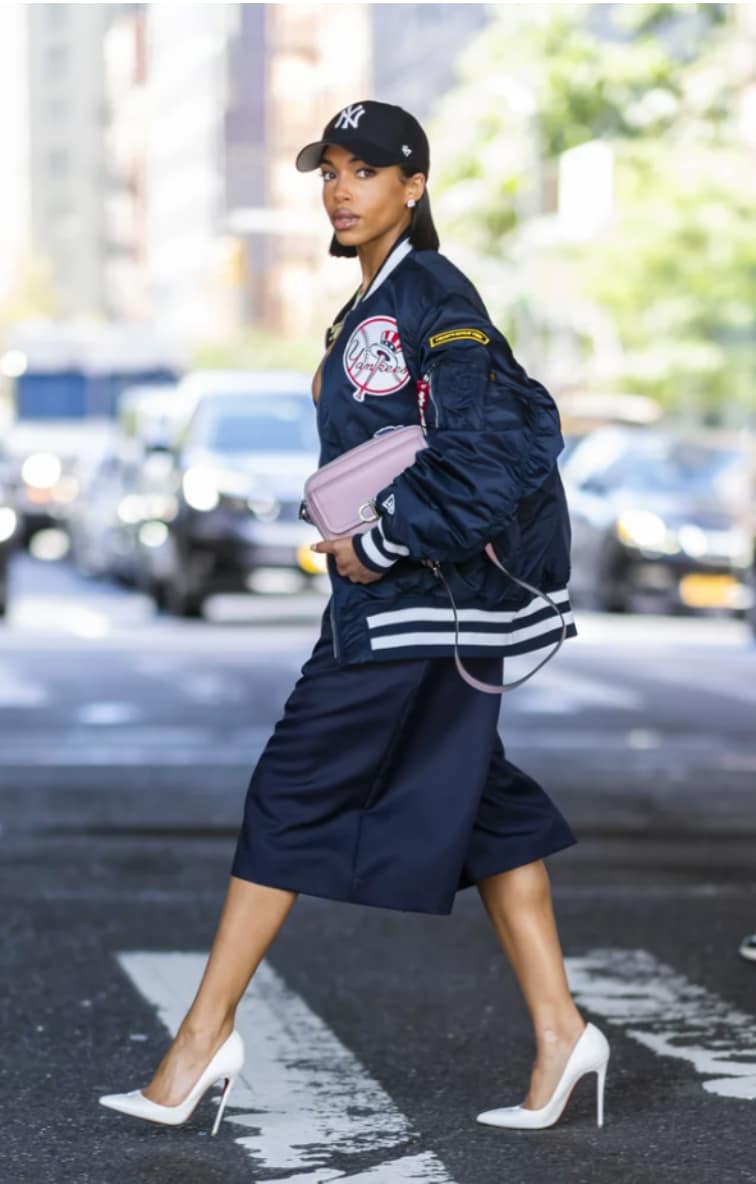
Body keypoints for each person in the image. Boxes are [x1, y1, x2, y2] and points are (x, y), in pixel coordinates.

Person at [99, 100, 610, 1136]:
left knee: (288, 789)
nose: (339, 188)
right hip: (413, 606)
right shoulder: (378, 300)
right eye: (329, 169)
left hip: (415, 606)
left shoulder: (429, 293)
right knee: (485, 808)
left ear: (412, 187)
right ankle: (564, 1033)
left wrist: (376, 540)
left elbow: (487, 453)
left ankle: (199, 1043)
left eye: (365, 171)